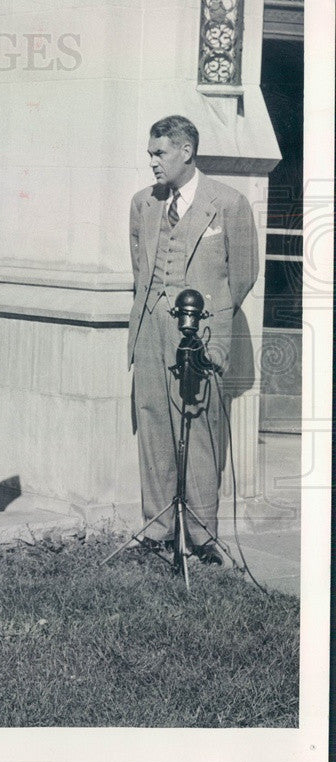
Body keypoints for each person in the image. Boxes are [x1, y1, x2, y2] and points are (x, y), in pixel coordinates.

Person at [127, 115, 258, 564]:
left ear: (186, 151)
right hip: (150, 331)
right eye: (150, 153)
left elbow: (243, 273)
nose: (152, 162)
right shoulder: (143, 203)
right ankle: (157, 530)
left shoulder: (229, 202)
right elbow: (139, 268)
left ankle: (203, 539)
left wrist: (213, 322)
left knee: (200, 430)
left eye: (159, 153)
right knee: (154, 428)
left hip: (202, 331)